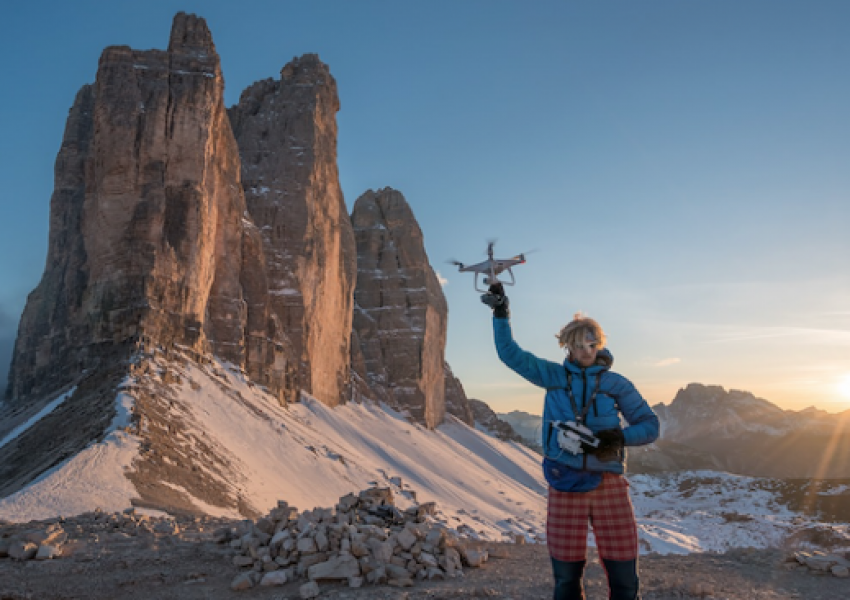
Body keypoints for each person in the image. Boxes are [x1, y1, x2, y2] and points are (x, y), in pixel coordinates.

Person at [481, 283, 659, 600]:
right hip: (565, 482)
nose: (586, 351)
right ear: (568, 347)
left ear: (599, 344)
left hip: (609, 483)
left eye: (592, 344)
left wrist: (615, 438)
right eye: (578, 345)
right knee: (566, 581)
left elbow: (650, 425)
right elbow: (510, 354)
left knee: (625, 582)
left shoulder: (615, 384)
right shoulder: (553, 377)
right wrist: (501, 312)